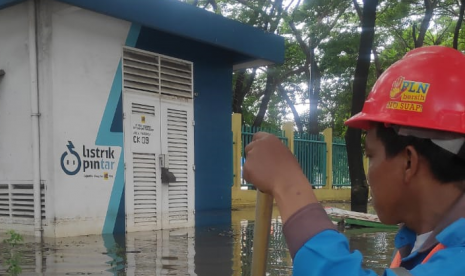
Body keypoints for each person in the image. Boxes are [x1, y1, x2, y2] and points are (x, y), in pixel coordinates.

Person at [243, 45, 465, 276]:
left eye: (370, 155)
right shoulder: (419, 242)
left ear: (408, 162)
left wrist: (288, 185)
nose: (368, 172)